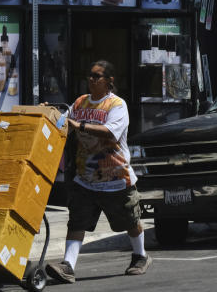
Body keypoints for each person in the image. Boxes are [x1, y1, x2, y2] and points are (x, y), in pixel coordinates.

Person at [45, 61, 151, 283]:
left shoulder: (116, 105)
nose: (91, 79)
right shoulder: (80, 102)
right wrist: (50, 114)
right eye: (90, 76)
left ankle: (140, 256)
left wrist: (80, 126)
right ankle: (68, 266)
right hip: (86, 178)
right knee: (77, 222)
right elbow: (65, 123)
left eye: (97, 76)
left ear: (109, 81)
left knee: (131, 222)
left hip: (116, 178)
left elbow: (111, 133)